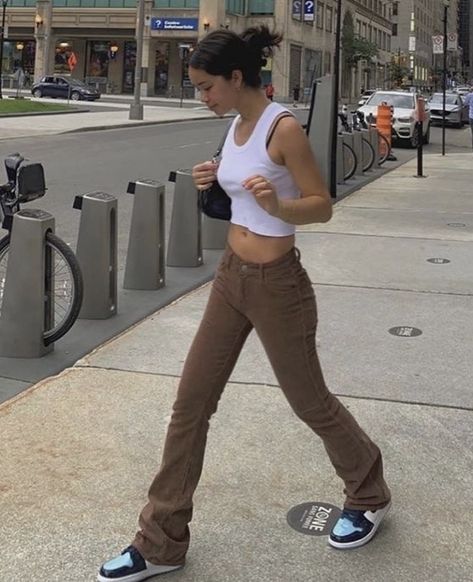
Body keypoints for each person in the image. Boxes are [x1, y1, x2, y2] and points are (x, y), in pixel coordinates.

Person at [97, 25, 391, 582]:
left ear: (237, 78)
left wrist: (279, 204)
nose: (202, 97)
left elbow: (321, 206)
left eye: (208, 86)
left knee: (310, 403)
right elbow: (233, 204)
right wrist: (212, 181)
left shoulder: (283, 129)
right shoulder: (234, 126)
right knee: (190, 405)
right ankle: (160, 542)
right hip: (231, 278)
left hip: (278, 283)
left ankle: (368, 492)